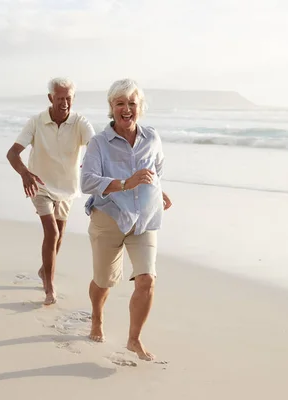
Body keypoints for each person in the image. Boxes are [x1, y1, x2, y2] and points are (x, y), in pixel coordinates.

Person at [80, 78, 172, 361]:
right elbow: (86, 182)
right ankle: (97, 316)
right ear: (112, 107)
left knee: (147, 280)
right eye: (121, 103)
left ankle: (134, 339)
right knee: (104, 281)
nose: (127, 109)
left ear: (140, 107)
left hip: (144, 219)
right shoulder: (99, 143)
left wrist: (160, 192)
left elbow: (156, 169)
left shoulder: (152, 138)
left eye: (132, 103)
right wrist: (125, 183)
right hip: (108, 217)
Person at [7, 77, 95, 305]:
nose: (64, 103)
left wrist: (93, 162)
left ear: (73, 99)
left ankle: (44, 270)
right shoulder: (36, 122)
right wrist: (25, 174)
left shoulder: (80, 122)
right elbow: (13, 153)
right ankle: (49, 287)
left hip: (67, 187)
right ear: (50, 98)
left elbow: (96, 146)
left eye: (68, 98)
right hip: (39, 184)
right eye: (59, 98)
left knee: (60, 235)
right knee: (52, 232)